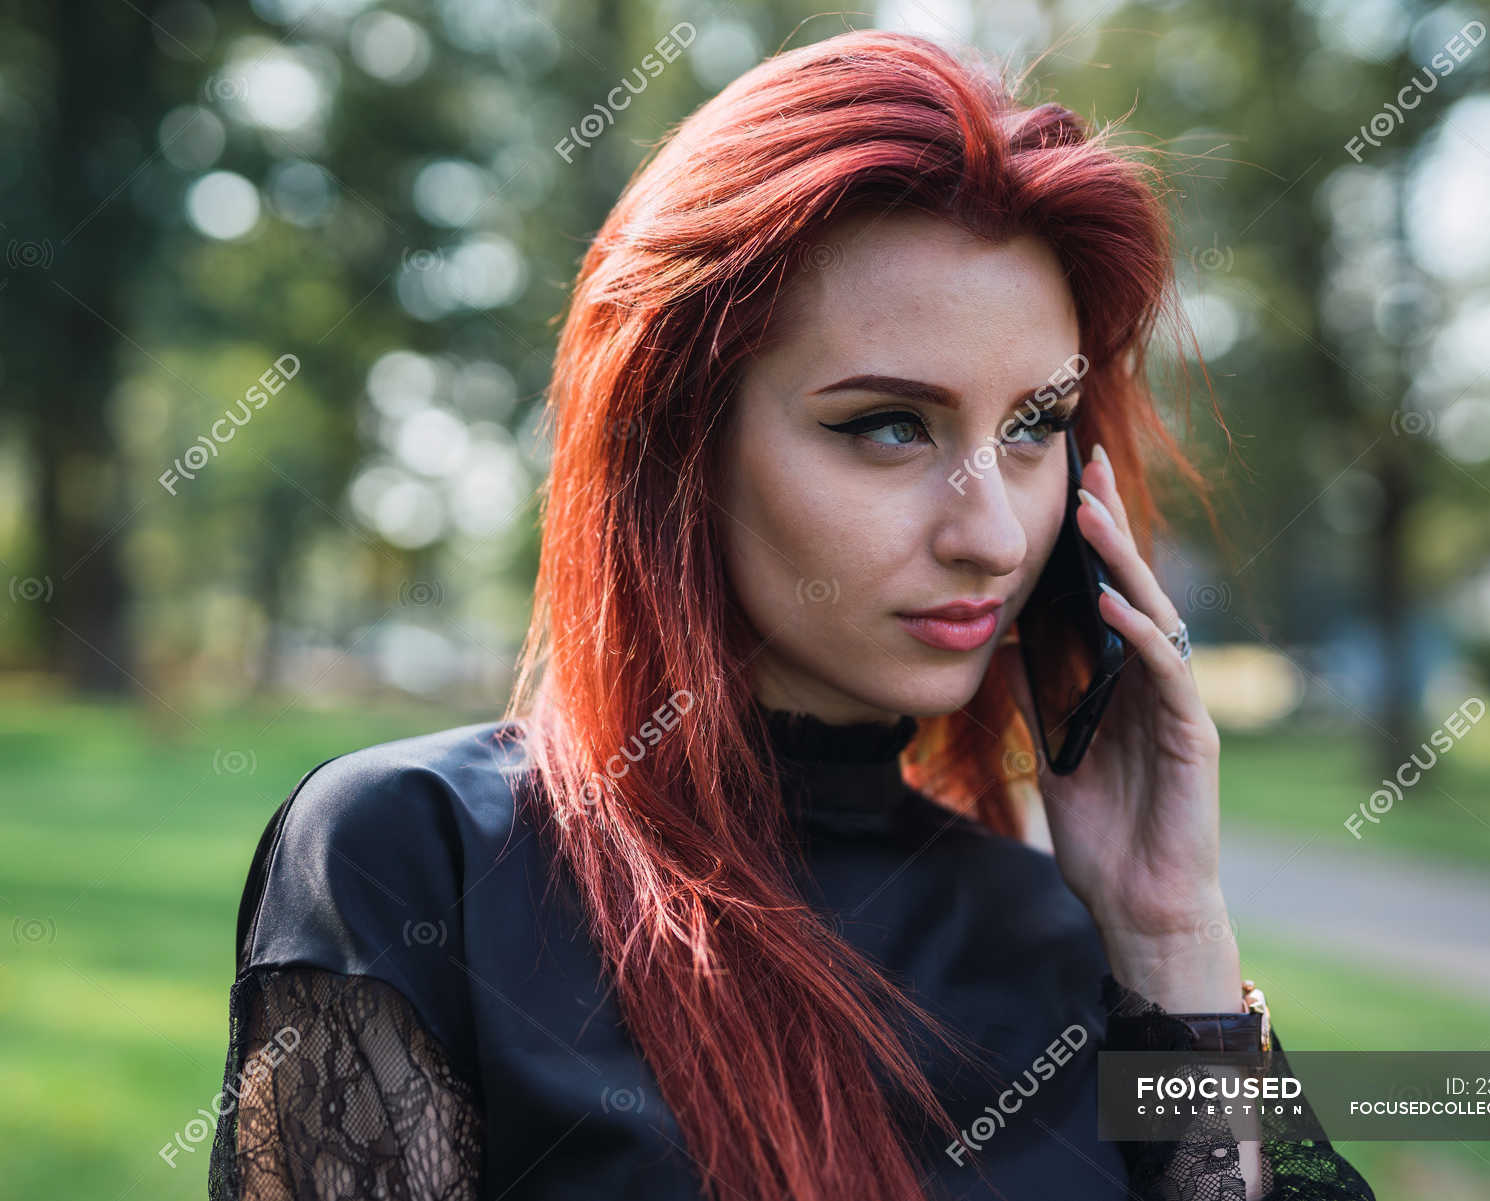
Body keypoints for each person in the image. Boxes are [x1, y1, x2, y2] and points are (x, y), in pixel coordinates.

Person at [206, 28, 1378, 1201]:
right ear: (679, 444)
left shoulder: (1068, 939)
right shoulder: (421, 863)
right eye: (888, 424)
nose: (997, 534)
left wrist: (1171, 937)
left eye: (1032, 426)